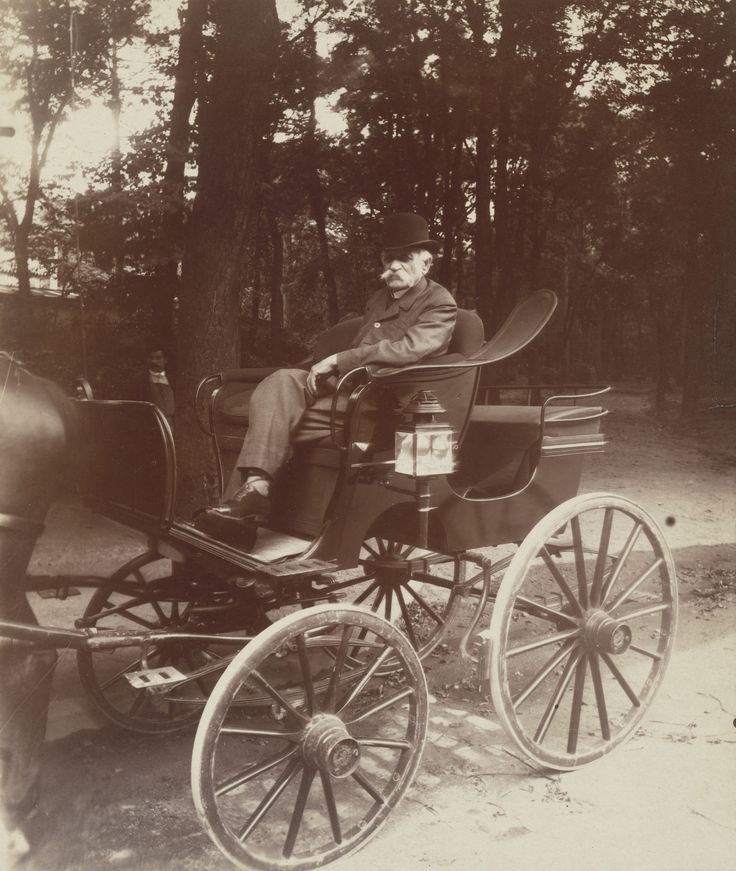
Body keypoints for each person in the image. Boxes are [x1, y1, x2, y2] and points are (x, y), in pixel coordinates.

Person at [197, 212, 457, 537]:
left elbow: (409, 350)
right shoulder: (379, 299)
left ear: (426, 264)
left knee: (276, 419)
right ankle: (256, 488)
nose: (393, 266)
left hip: (381, 400)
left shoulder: (439, 302)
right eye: (388, 258)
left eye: (404, 259)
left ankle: (241, 514)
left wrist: (338, 360)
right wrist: (328, 371)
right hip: (344, 388)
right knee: (280, 381)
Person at [129, 344, 175, 425]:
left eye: (158, 358)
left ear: (165, 360)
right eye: (151, 358)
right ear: (147, 360)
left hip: (173, 424)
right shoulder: (140, 381)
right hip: (150, 424)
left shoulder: (174, 380)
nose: (154, 361)